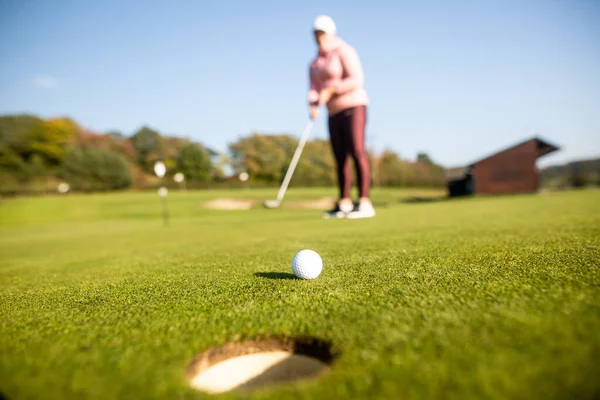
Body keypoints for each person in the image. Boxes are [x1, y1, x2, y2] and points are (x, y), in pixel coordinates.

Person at [308, 15, 375, 219]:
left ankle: (364, 202)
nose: (319, 37)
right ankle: (344, 203)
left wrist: (333, 90)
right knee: (339, 157)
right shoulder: (314, 64)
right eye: (316, 33)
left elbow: (357, 79)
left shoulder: (344, 51)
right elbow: (313, 88)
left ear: (330, 33)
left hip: (354, 106)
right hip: (333, 112)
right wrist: (312, 103)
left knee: (356, 150)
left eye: (322, 33)